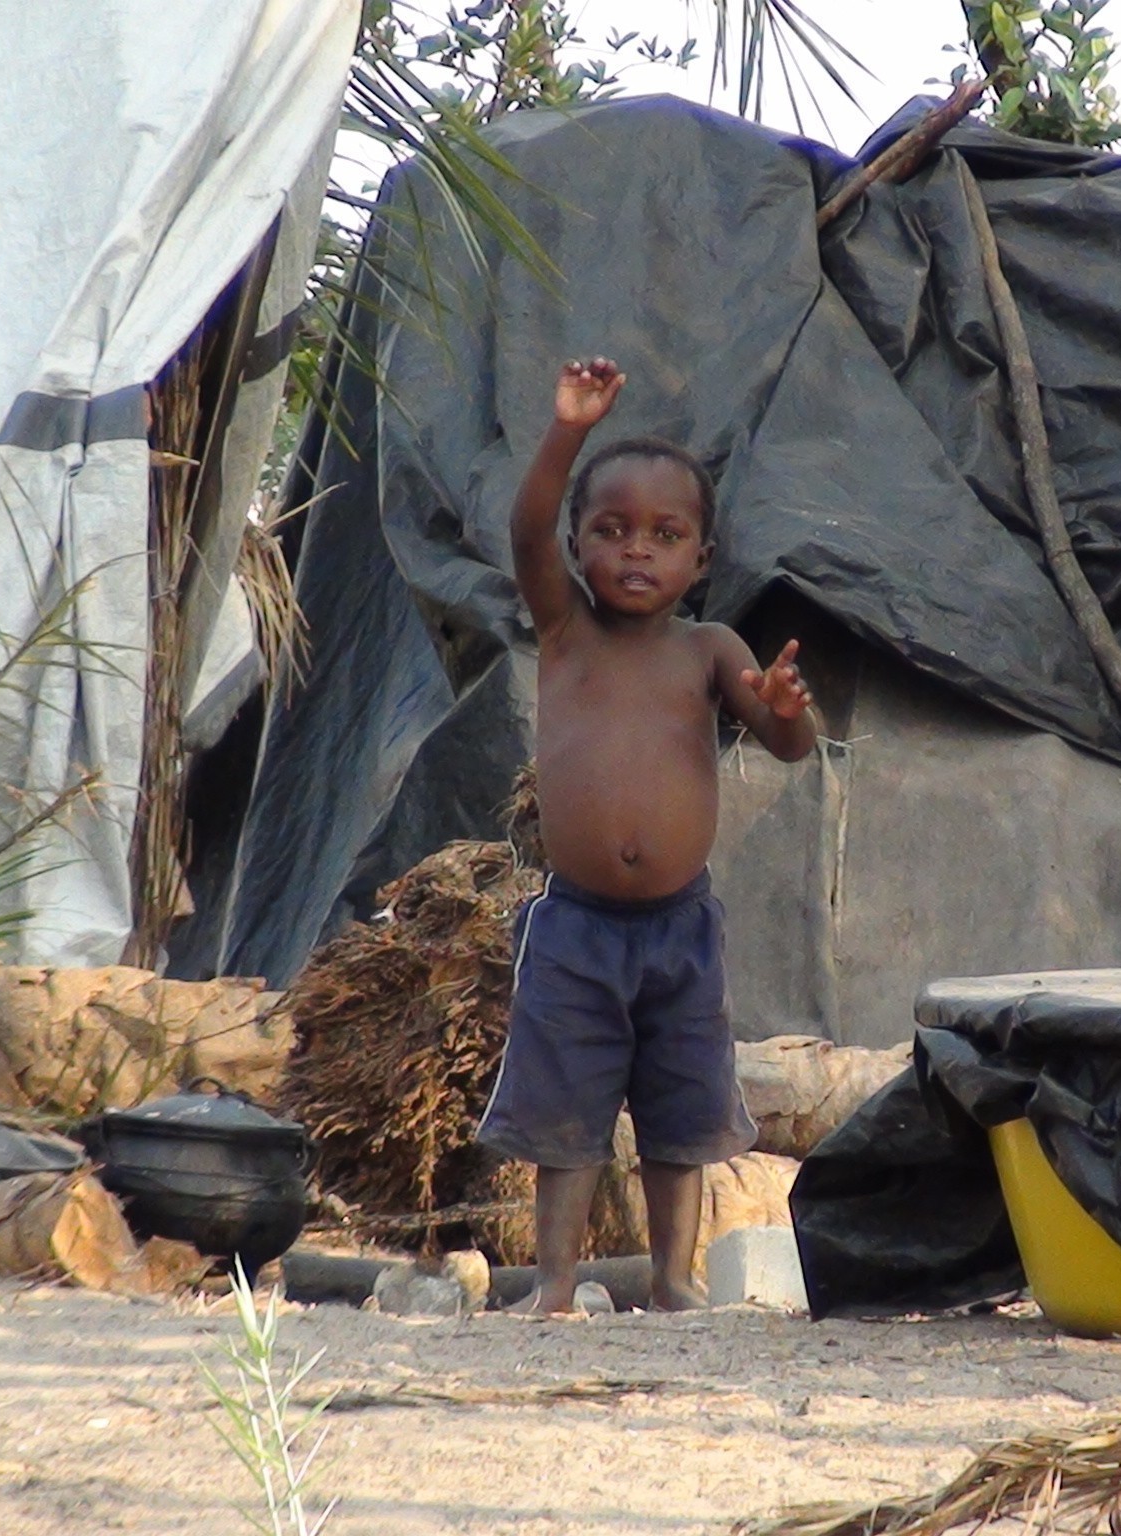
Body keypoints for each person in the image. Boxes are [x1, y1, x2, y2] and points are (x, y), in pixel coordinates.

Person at [476, 356, 817, 1313]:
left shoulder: (711, 650)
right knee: (564, 1106)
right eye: (611, 529)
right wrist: (567, 430)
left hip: (681, 932)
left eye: (666, 536)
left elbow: (787, 744)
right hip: (576, 930)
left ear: (701, 561)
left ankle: (672, 1277)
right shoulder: (564, 630)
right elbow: (522, 527)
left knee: (683, 1107)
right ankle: (554, 1284)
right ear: (578, 543)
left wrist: (787, 706)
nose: (637, 551)